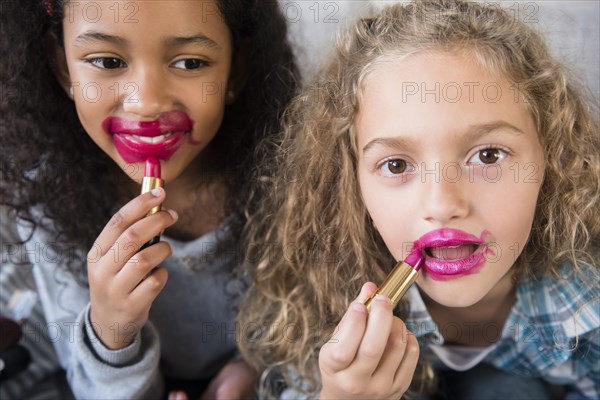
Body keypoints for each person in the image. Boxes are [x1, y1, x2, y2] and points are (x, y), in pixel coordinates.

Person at [237, 1, 599, 399]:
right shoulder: (327, 294)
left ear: (553, 157)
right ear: (349, 181)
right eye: (395, 165)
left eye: (488, 156)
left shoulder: (586, 291)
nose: (442, 204)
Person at [0, 0, 299, 398]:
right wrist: (110, 331)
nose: (147, 102)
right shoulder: (48, 192)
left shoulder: (296, 179)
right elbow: (89, 385)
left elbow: (312, 334)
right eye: (107, 62)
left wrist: (260, 372)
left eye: (191, 63)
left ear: (237, 69)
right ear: (61, 67)